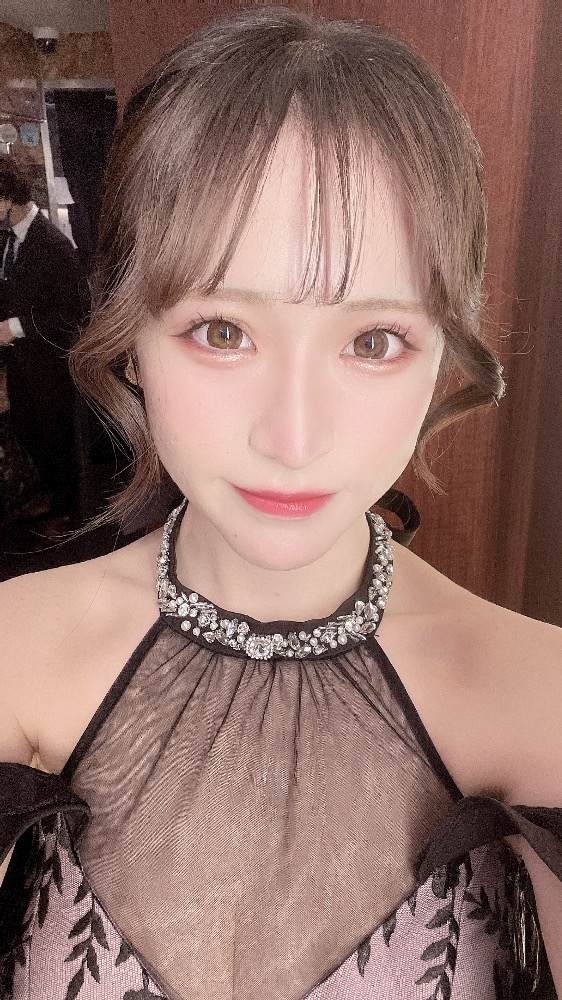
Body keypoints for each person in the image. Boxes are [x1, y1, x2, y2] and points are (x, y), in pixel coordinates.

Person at [0, 8, 561, 999]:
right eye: (222, 330)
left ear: (442, 359)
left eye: (373, 341)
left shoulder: (540, 702)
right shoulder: (13, 655)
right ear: (132, 340)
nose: (293, 438)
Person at [0, 154, 88, 519]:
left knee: (56, 438)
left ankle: (70, 514)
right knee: (28, 429)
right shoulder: (8, 238)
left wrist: (14, 327)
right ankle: (53, 496)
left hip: (49, 364)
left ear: (6, 199)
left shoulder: (53, 244)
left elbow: (73, 314)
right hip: (20, 361)